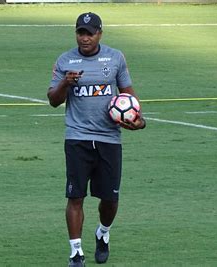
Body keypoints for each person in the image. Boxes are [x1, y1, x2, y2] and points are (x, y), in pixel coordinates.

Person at [47, 12, 146, 267]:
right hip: (77, 138)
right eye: (81, 32)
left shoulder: (115, 58)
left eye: (90, 33)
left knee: (110, 200)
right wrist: (65, 85)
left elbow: (129, 96)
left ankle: (102, 232)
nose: (85, 38)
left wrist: (139, 120)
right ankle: (76, 253)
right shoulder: (65, 60)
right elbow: (53, 100)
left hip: (109, 140)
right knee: (75, 197)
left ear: (100, 33)